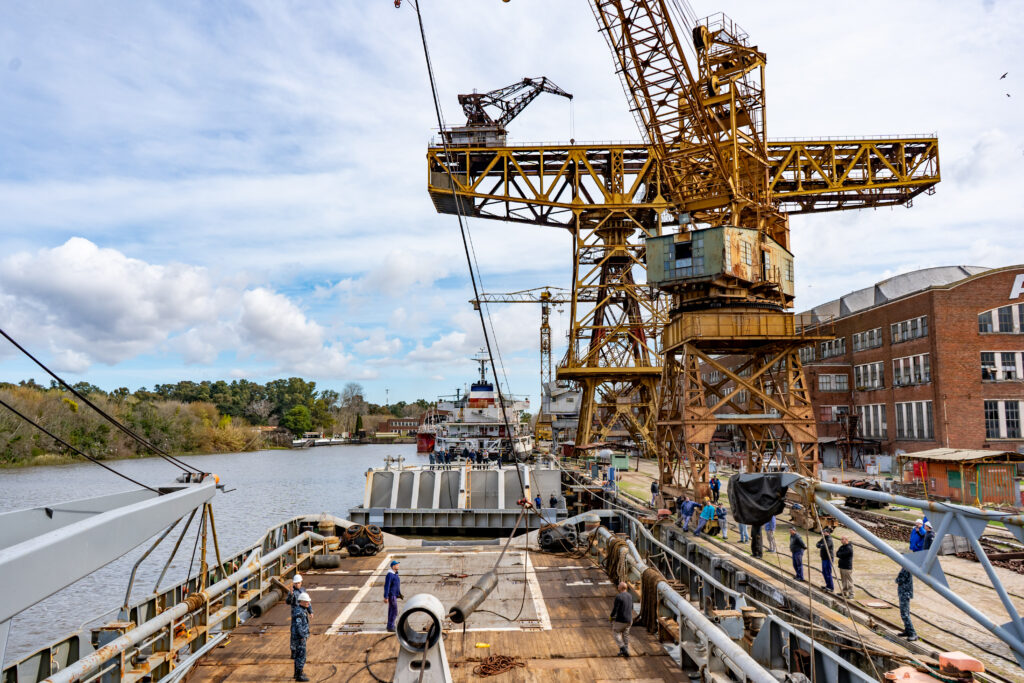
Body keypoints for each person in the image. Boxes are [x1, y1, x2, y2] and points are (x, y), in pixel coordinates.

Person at [290, 591, 312, 681]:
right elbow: (299, 626)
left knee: (298, 655)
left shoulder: (301, 609)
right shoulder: (299, 612)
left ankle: (297, 673)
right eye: (307, 602)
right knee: (301, 656)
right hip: (300, 638)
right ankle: (299, 675)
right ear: (302, 602)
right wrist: (302, 636)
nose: (308, 603)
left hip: (299, 636)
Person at [609, 581, 633, 657]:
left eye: (619, 585)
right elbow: (631, 607)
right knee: (625, 634)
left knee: (616, 632)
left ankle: (622, 648)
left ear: (621, 588)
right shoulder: (630, 596)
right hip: (629, 620)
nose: (618, 586)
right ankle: (626, 649)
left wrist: (611, 616)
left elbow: (615, 609)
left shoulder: (619, 597)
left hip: (621, 620)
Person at [896, 569, 918, 641]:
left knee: (904, 614)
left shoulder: (906, 569)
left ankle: (913, 633)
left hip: (905, 594)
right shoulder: (906, 568)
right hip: (904, 593)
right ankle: (907, 630)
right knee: (905, 613)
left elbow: (899, 580)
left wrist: (897, 579)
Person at [384, 560, 404, 632]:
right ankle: (391, 626)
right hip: (392, 595)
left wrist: (398, 594)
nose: (398, 566)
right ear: (393, 566)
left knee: (391, 610)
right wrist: (386, 596)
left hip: (394, 595)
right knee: (394, 611)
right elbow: (387, 586)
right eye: (397, 565)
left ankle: (390, 625)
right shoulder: (390, 575)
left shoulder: (395, 574)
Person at [816, 528, 835, 592]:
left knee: (828, 572)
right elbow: (817, 544)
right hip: (824, 558)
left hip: (828, 558)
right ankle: (827, 585)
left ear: (827, 533)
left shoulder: (829, 539)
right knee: (824, 572)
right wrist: (821, 545)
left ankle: (831, 587)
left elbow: (825, 547)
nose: (823, 533)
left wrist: (821, 545)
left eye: (824, 532)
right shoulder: (824, 538)